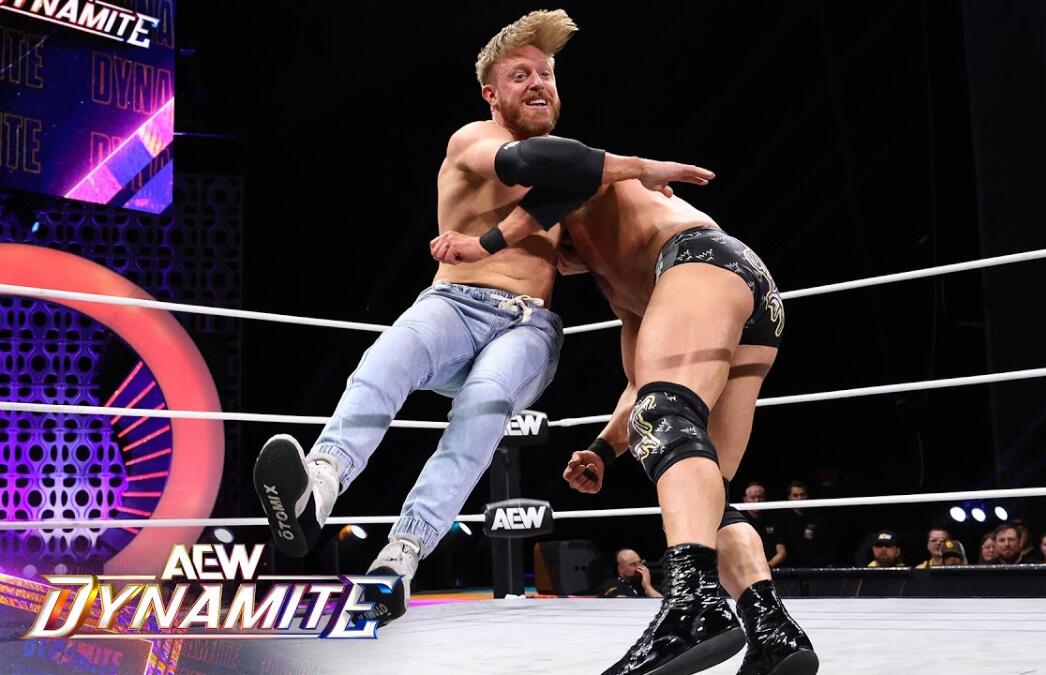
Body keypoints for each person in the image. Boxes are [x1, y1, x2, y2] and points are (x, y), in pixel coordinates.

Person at [253, 9, 706, 628]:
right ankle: (320, 483)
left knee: (483, 408)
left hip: (529, 328)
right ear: (491, 94)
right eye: (521, 75)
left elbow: (585, 241)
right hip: (455, 305)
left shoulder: (573, 179)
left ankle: (400, 558)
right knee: (390, 357)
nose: (538, 83)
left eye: (546, 73)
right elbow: (531, 163)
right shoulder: (473, 140)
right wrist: (639, 165)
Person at [432, 37, 816, 675]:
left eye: (546, 74)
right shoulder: (629, 290)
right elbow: (643, 385)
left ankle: (691, 607)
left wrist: (486, 243)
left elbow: (560, 188)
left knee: (668, 423)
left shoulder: (575, 174)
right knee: (704, 488)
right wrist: (604, 450)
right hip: (749, 292)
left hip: (700, 260)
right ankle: (773, 629)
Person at [774, 481, 831, 567]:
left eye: (802, 495)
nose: (799, 498)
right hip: (789, 568)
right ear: (789, 497)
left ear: (807, 496)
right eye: (795, 495)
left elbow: (826, 543)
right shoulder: (781, 518)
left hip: (814, 567)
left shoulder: (817, 518)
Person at [743, 482, 787, 567]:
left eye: (760, 497)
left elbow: (782, 552)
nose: (757, 501)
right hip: (747, 569)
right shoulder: (739, 522)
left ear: (764, 498)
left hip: (771, 569)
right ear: (745, 500)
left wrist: (768, 565)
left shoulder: (772, 520)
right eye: (753, 497)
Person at [598, 549, 663, 598]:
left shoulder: (645, 586)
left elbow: (663, 607)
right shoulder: (612, 584)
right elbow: (621, 605)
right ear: (621, 568)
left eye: (640, 563)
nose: (639, 567)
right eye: (633, 564)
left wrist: (648, 587)